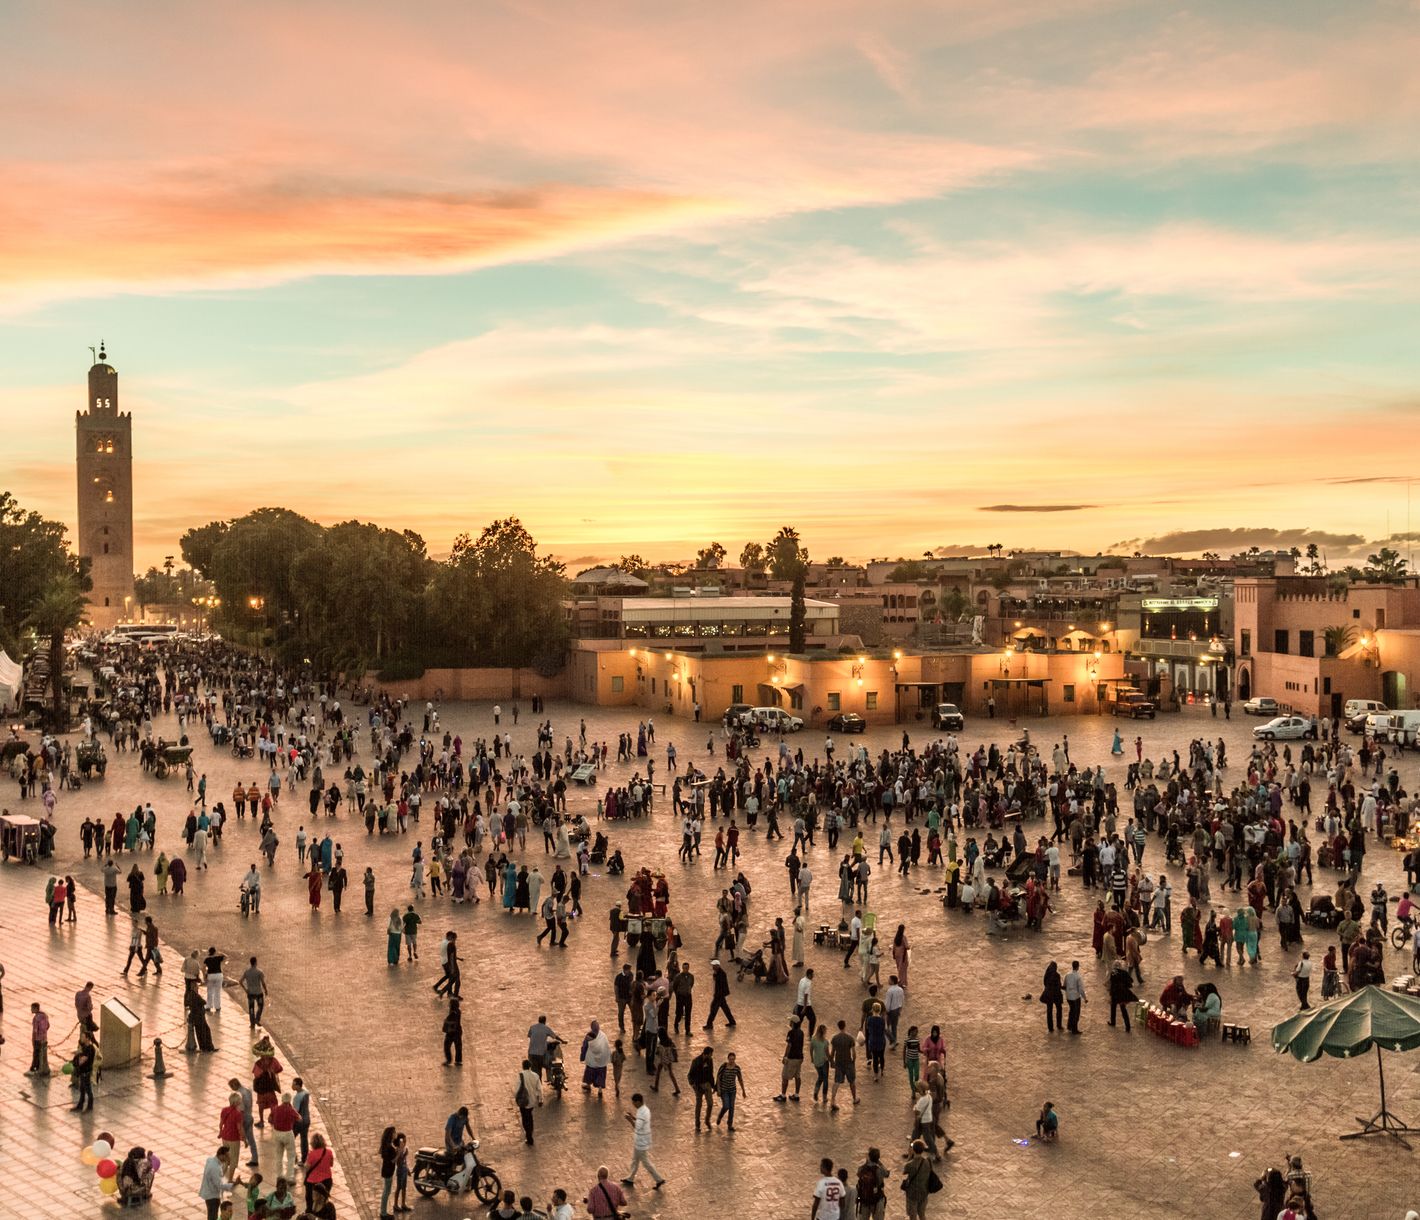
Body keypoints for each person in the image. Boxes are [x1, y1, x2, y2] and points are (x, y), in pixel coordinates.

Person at [620, 1092, 666, 1190]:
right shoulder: (644, 1110)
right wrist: (633, 1117)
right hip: (642, 1139)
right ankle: (630, 1178)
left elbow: (637, 1127)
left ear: (638, 1101)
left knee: (645, 1162)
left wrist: (629, 1120)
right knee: (635, 1160)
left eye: (634, 1103)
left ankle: (659, 1179)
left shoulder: (642, 1112)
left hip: (641, 1141)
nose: (633, 1105)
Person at [901, 1140, 934, 1220]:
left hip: (912, 1193)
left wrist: (909, 1156)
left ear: (913, 1150)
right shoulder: (928, 1161)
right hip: (924, 1191)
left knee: (913, 1216)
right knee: (922, 1214)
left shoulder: (910, 1164)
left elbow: (904, 1171)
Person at [830, 1019, 859, 1111]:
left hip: (839, 1062)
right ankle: (854, 1098)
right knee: (852, 1082)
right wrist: (853, 1061)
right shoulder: (850, 1038)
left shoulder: (835, 1038)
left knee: (837, 1082)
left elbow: (832, 1052)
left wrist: (832, 1062)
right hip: (848, 1062)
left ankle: (833, 1100)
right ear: (845, 1026)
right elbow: (853, 1053)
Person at [199, 1147, 234, 1220]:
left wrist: (227, 1164)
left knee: (211, 1216)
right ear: (221, 1155)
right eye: (227, 1156)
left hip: (208, 1193)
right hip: (213, 1196)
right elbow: (219, 1185)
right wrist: (233, 1185)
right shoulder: (215, 1167)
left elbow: (220, 1175)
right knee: (213, 1217)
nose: (228, 1158)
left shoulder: (210, 1160)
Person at [302, 1133, 334, 1214]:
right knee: (323, 1200)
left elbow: (307, 1168)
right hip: (327, 1180)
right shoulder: (329, 1152)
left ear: (313, 1143)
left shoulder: (311, 1154)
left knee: (310, 1201)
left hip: (312, 1182)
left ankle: (310, 1215)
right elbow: (331, 1164)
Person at [715, 1049, 745, 1130]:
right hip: (724, 1090)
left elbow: (740, 1079)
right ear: (728, 1059)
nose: (731, 1061)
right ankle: (720, 1116)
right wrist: (718, 1089)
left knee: (732, 1107)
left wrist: (743, 1091)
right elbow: (718, 1077)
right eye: (730, 1059)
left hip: (732, 1091)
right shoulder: (723, 1066)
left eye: (733, 1059)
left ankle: (730, 1124)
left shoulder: (737, 1068)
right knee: (726, 1106)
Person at [515, 1059, 543, 1144]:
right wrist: (540, 1100)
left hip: (523, 1101)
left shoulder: (521, 1076)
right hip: (532, 1100)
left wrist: (516, 1098)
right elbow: (540, 1089)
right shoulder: (536, 1076)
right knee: (530, 1117)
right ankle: (530, 1133)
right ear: (530, 1066)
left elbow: (517, 1089)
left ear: (523, 1066)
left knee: (524, 1118)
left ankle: (528, 1135)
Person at [1041, 961, 1064, 1032]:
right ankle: (1059, 1025)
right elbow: (1059, 985)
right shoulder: (1057, 975)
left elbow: (1044, 983)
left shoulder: (1046, 974)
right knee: (1059, 1009)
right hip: (1056, 995)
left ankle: (1050, 1028)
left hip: (1049, 995)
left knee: (1049, 1011)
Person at [1064, 961, 1086, 1034]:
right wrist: (1085, 998)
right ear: (1078, 967)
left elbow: (1064, 985)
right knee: (1076, 1013)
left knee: (1071, 1011)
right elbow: (1081, 989)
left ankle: (1069, 1026)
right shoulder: (1078, 976)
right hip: (1075, 997)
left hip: (1068, 997)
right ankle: (1074, 1029)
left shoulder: (1067, 975)